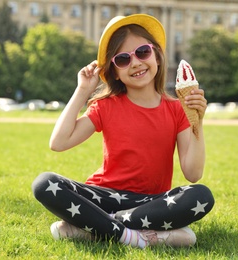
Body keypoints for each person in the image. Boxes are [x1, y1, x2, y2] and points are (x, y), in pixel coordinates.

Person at [32, 14, 214, 248]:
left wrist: (197, 123)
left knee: (200, 196)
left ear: (157, 55)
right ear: (114, 71)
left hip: (149, 203)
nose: (136, 63)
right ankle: (136, 236)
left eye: (142, 52)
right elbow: (59, 142)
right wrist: (82, 90)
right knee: (44, 184)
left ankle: (97, 227)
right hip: (102, 197)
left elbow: (193, 173)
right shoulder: (106, 106)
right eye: (123, 59)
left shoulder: (177, 109)